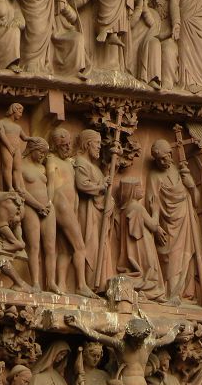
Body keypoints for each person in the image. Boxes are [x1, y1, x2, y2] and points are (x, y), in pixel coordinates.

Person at [146, 139, 202, 303]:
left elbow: (197, 202)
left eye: (165, 158)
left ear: (171, 155)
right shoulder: (154, 176)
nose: (163, 162)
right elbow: (152, 203)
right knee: (171, 257)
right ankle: (171, 293)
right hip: (167, 223)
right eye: (159, 160)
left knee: (185, 256)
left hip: (186, 220)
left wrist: (191, 186)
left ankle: (180, 293)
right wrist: (156, 227)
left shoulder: (181, 171)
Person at [47, 127, 96, 297]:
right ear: (55, 146)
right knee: (80, 247)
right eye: (63, 145)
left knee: (66, 249)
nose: (68, 147)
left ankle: (62, 285)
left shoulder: (69, 162)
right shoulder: (51, 160)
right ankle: (81, 285)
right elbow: (50, 184)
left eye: (69, 144)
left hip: (69, 206)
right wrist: (48, 204)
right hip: (61, 203)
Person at [74, 129, 113, 290]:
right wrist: (101, 186)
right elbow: (82, 184)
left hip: (99, 213)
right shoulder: (80, 163)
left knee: (101, 247)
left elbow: (102, 186)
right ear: (88, 144)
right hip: (87, 211)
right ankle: (91, 283)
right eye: (97, 143)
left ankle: (102, 283)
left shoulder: (95, 167)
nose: (99, 147)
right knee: (91, 245)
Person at [116, 177, 167, 302]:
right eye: (138, 187)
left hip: (133, 248)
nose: (142, 189)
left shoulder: (125, 209)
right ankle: (149, 293)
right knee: (149, 270)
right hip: (142, 246)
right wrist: (156, 210)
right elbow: (153, 225)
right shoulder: (138, 208)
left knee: (144, 269)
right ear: (131, 190)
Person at [21, 137, 58, 293]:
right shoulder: (21, 165)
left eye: (45, 153)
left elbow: (50, 185)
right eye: (40, 152)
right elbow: (21, 190)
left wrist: (49, 202)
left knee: (50, 247)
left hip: (47, 208)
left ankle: (51, 282)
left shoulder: (42, 168)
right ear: (32, 149)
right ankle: (36, 282)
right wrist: (38, 206)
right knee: (34, 246)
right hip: (31, 207)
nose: (42, 155)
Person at [129, 0, 161, 89]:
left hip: (146, 45)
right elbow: (130, 24)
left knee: (155, 43)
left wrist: (145, 8)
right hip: (131, 44)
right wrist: (139, 7)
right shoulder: (130, 9)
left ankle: (152, 78)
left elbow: (153, 25)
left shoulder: (154, 13)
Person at [0, 103, 31, 193]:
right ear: (14, 110)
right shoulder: (1, 122)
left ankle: (17, 187)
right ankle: (10, 187)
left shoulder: (18, 127)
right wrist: (9, 147)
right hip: (7, 147)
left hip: (17, 149)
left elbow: (24, 137)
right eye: (20, 112)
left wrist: (34, 139)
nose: (21, 115)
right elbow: (2, 135)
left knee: (17, 168)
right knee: (8, 167)